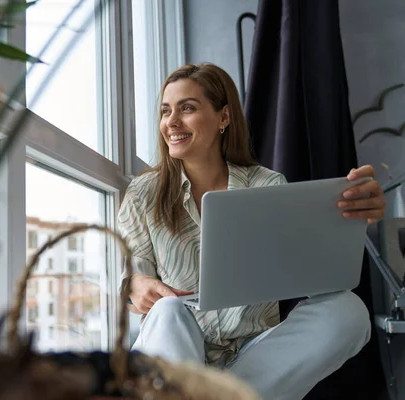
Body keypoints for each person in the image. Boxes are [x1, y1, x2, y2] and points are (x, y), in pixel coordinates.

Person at [117, 63, 386, 400]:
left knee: (349, 311)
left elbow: (312, 273)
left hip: (256, 358)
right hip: (174, 351)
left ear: (224, 117)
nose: (171, 122)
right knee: (167, 311)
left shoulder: (267, 185)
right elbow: (133, 271)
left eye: (187, 108)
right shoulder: (143, 193)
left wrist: (350, 219)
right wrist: (135, 285)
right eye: (165, 110)